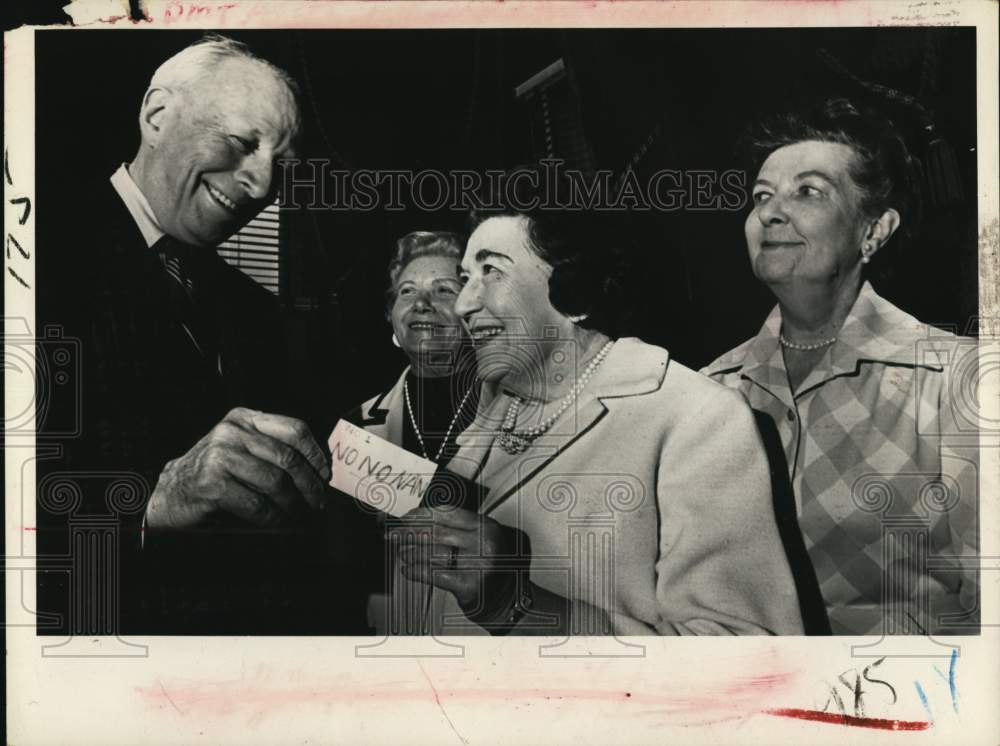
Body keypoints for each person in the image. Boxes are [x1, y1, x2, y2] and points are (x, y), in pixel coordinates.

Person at [388, 178, 806, 636]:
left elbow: (741, 653)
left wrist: (516, 604)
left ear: (574, 293)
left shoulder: (697, 418)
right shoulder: (489, 408)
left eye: (492, 271)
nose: (464, 304)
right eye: (466, 278)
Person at [37, 35, 348, 634]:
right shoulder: (30, 253)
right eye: (242, 143)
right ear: (157, 115)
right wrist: (151, 503)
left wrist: (437, 492)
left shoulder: (256, 311)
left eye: (282, 166)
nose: (262, 185)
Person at [702, 98, 979, 635]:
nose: (770, 213)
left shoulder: (957, 381)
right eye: (761, 196)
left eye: (808, 191)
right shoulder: (708, 391)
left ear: (874, 231)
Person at [342, 231, 481, 633]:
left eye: (444, 290)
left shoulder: (522, 413)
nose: (422, 303)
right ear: (391, 315)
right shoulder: (357, 423)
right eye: (407, 291)